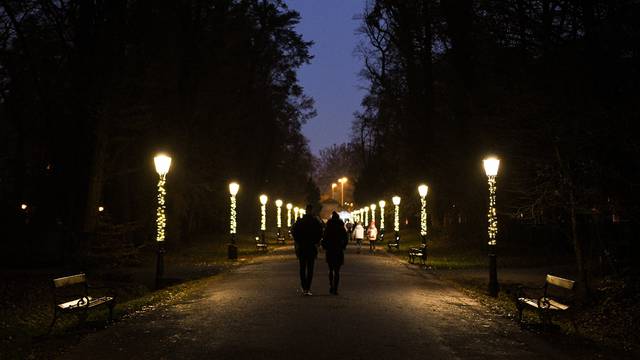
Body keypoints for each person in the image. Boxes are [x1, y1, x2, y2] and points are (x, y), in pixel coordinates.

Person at [291, 204, 323, 296]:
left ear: (305, 210)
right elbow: (320, 233)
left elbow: (294, 232)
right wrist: (316, 242)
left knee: (302, 267)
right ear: (312, 210)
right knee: (310, 268)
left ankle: (304, 286)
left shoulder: (300, 222)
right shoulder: (315, 222)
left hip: (302, 247)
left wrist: (298, 241)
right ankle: (308, 288)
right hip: (311, 247)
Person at [321, 212, 348, 295]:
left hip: (330, 249)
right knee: (337, 271)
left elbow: (324, 238)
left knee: (330, 269)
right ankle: (335, 288)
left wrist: (325, 246)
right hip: (338, 250)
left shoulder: (328, 227)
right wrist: (343, 246)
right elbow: (345, 238)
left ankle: (331, 286)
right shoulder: (341, 227)